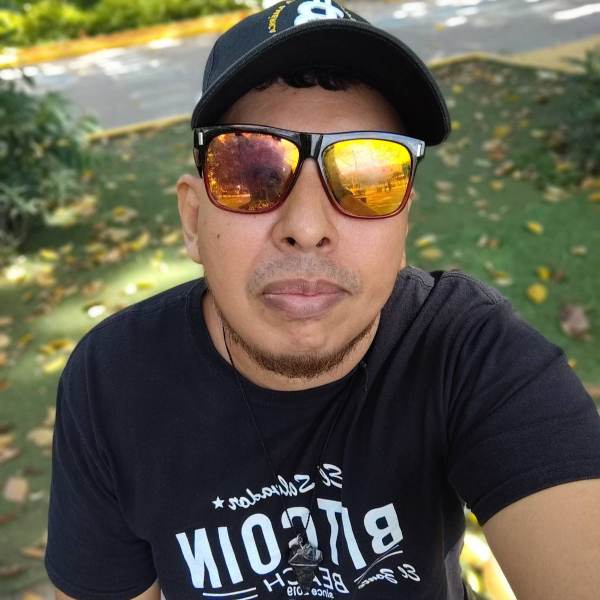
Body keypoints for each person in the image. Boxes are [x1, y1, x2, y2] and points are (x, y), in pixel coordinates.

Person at [44, 1, 600, 599]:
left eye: (368, 176)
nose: (307, 227)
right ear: (193, 219)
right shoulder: (113, 380)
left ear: (402, 226)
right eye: (251, 170)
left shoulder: (468, 354)